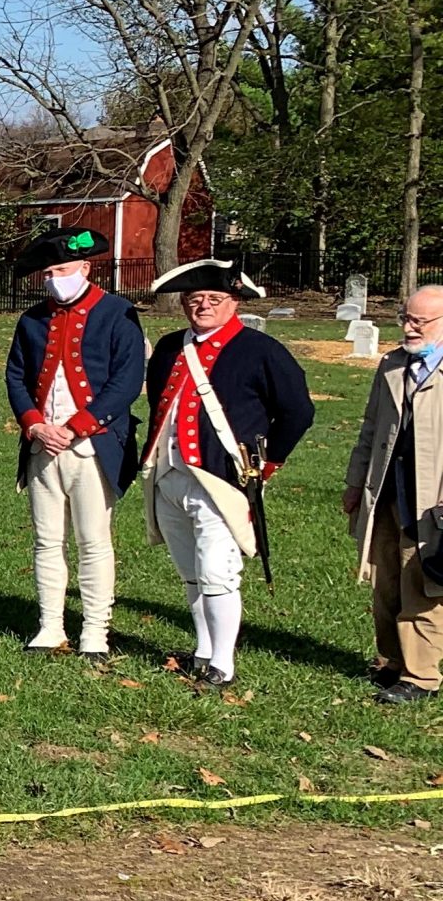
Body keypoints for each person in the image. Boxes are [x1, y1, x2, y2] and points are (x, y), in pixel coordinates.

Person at [143, 261, 313, 688]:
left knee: (218, 571)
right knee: (191, 571)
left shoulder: (259, 349)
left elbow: (297, 411)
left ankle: (223, 663)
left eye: (214, 300)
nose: (203, 307)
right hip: (169, 473)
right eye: (194, 300)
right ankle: (202, 650)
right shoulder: (169, 347)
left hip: (222, 477)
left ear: (233, 302)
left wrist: (267, 463)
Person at [5, 226, 144, 660]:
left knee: (93, 541)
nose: (53, 279)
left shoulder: (118, 312)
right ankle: (49, 626)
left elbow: (127, 380)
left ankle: (95, 632)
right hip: (43, 446)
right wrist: (33, 423)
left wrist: (79, 424)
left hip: (93, 444)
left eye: (61, 269)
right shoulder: (32, 319)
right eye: (47, 272)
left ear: (85, 268)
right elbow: (16, 376)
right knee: (46, 541)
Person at [347, 284, 443, 705]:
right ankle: (391, 662)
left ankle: (421, 677)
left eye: (418, 322)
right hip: (387, 492)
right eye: (405, 318)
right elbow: (370, 430)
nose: (407, 327)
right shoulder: (391, 364)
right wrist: (354, 484)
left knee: (422, 585)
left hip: (432, 502)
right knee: (385, 581)